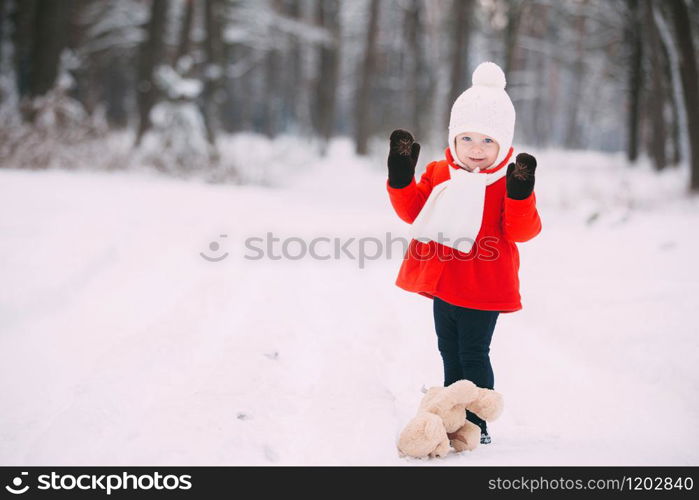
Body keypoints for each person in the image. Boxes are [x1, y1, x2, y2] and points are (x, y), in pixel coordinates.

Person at [386, 61, 542, 444]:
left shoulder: (505, 181)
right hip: (444, 285)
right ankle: (454, 416)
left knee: (473, 354)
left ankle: (478, 422)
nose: (476, 150)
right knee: (448, 351)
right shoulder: (440, 171)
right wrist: (402, 178)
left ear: (503, 144)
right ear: (454, 138)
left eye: (488, 141)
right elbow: (414, 212)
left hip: (483, 287)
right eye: (468, 139)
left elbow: (522, 231)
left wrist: (520, 195)